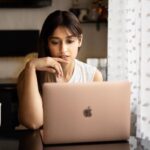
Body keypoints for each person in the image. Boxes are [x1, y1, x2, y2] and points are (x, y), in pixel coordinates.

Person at [17, 10, 103, 129]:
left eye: (70, 41)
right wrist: (30, 67)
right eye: (55, 42)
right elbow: (33, 123)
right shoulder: (30, 74)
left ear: (80, 41)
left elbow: (95, 122)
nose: (63, 49)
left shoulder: (93, 76)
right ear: (47, 43)